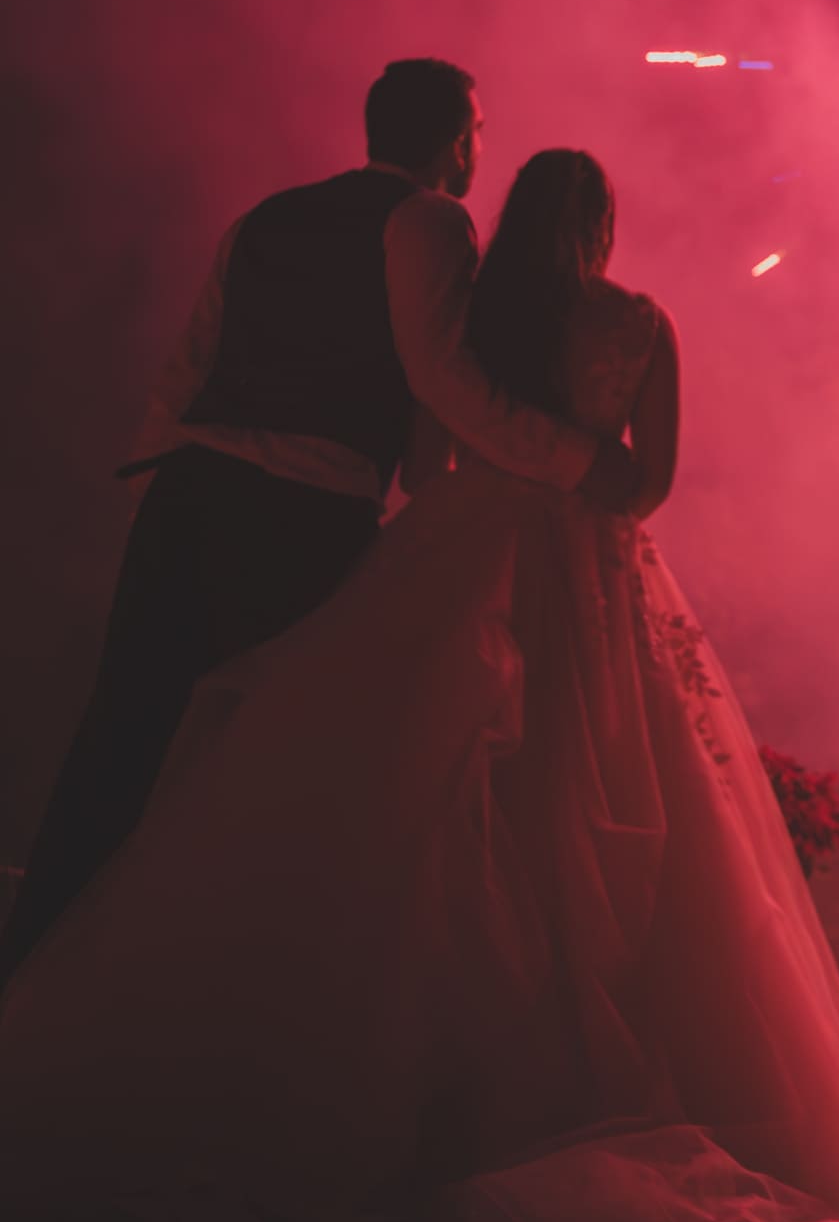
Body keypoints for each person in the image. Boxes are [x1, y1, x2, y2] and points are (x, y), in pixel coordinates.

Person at [0, 150, 839, 1222]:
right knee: (617, 797)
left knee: (431, 795)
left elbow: (430, 459)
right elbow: (653, 482)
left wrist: (499, 489)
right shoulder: (642, 324)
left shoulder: (473, 329)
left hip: (465, 551)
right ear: (604, 226)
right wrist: (583, 487)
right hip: (593, 571)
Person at [0, 61, 648, 990]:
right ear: (452, 140)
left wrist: (165, 498)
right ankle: (206, 991)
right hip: (300, 517)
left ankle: (36, 976)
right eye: (475, 130)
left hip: (189, 496)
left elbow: (189, 368)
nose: (478, 149)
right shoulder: (429, 221)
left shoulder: (266, 216)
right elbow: (442, 380)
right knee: (273, 766)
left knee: (122, 744)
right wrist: (582, 461)